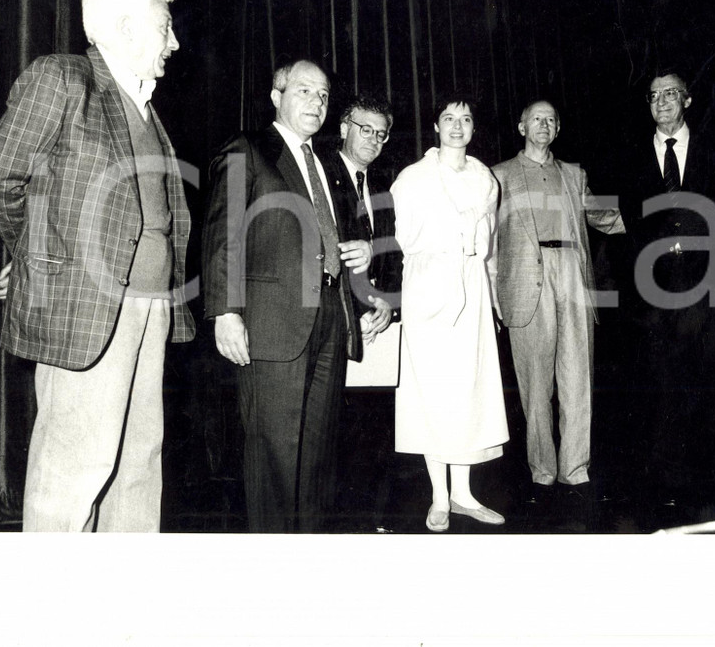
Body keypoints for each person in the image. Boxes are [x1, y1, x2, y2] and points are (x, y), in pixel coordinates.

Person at [0, 0, 195, 532]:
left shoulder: (144, 104)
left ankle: (119, 607)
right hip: (89, 305)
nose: (175, 43)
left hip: (150, 307)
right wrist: (38, 252)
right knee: (74, 469)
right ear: (125, 28)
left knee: (137, 465)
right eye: (165, 28)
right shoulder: (65, 80)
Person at [201, 59, 372, 533]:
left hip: (330, 322)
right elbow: (223, 235)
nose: (316, 102)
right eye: (303, 91)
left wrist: (363, 262)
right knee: (274, 456)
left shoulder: (329, 164)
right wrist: (225, 312)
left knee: (317, 458)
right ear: (276, 96)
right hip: (272, 324)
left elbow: (340, 233)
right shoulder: (249, 149)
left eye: (322, 95)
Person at [489, 100, 625, 505]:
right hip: (527, 282)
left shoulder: (574, 174)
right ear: (521, 126)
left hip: (572, 272)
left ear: (558, 128)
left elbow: (602, 217)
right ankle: (543, 470)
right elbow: (486, 236)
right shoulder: (499, 176)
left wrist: (652, 214)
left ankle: (575, 468)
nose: (543, 125)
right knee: (535, 384)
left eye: (550, 119)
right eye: (536, 119)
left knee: (577, 373)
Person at [390, 94, 509, 533]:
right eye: (448, 118)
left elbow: (489, 243)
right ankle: (439, 496)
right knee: (433, 391)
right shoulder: (413, 178)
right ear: (436, 127)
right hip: (428, 288)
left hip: (473, 288)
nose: (457, 125)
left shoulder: (485, 179)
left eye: (465, 118)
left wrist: (491, 296)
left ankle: (463, 493)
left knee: (469, 389)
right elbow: (404, 238)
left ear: (474, 128)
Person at [618, 71, 715, 516]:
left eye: (670, 94)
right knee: (663, 389)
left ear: (686, 99)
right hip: (654, 290)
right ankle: (669, 483)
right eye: (653, 96)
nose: (662, 102)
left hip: (708, 284)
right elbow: (625, 224)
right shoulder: (631, 157)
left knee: (712, 382)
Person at [323, 93, 401, 341]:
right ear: (345, 129)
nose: (374, 140)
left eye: (381, 134)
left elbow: (392, 253)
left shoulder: (383, 189)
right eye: (366, 130)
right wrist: (357, 311)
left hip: (377, 322)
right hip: (336, 319)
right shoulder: (320, 175)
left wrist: (388, 302)